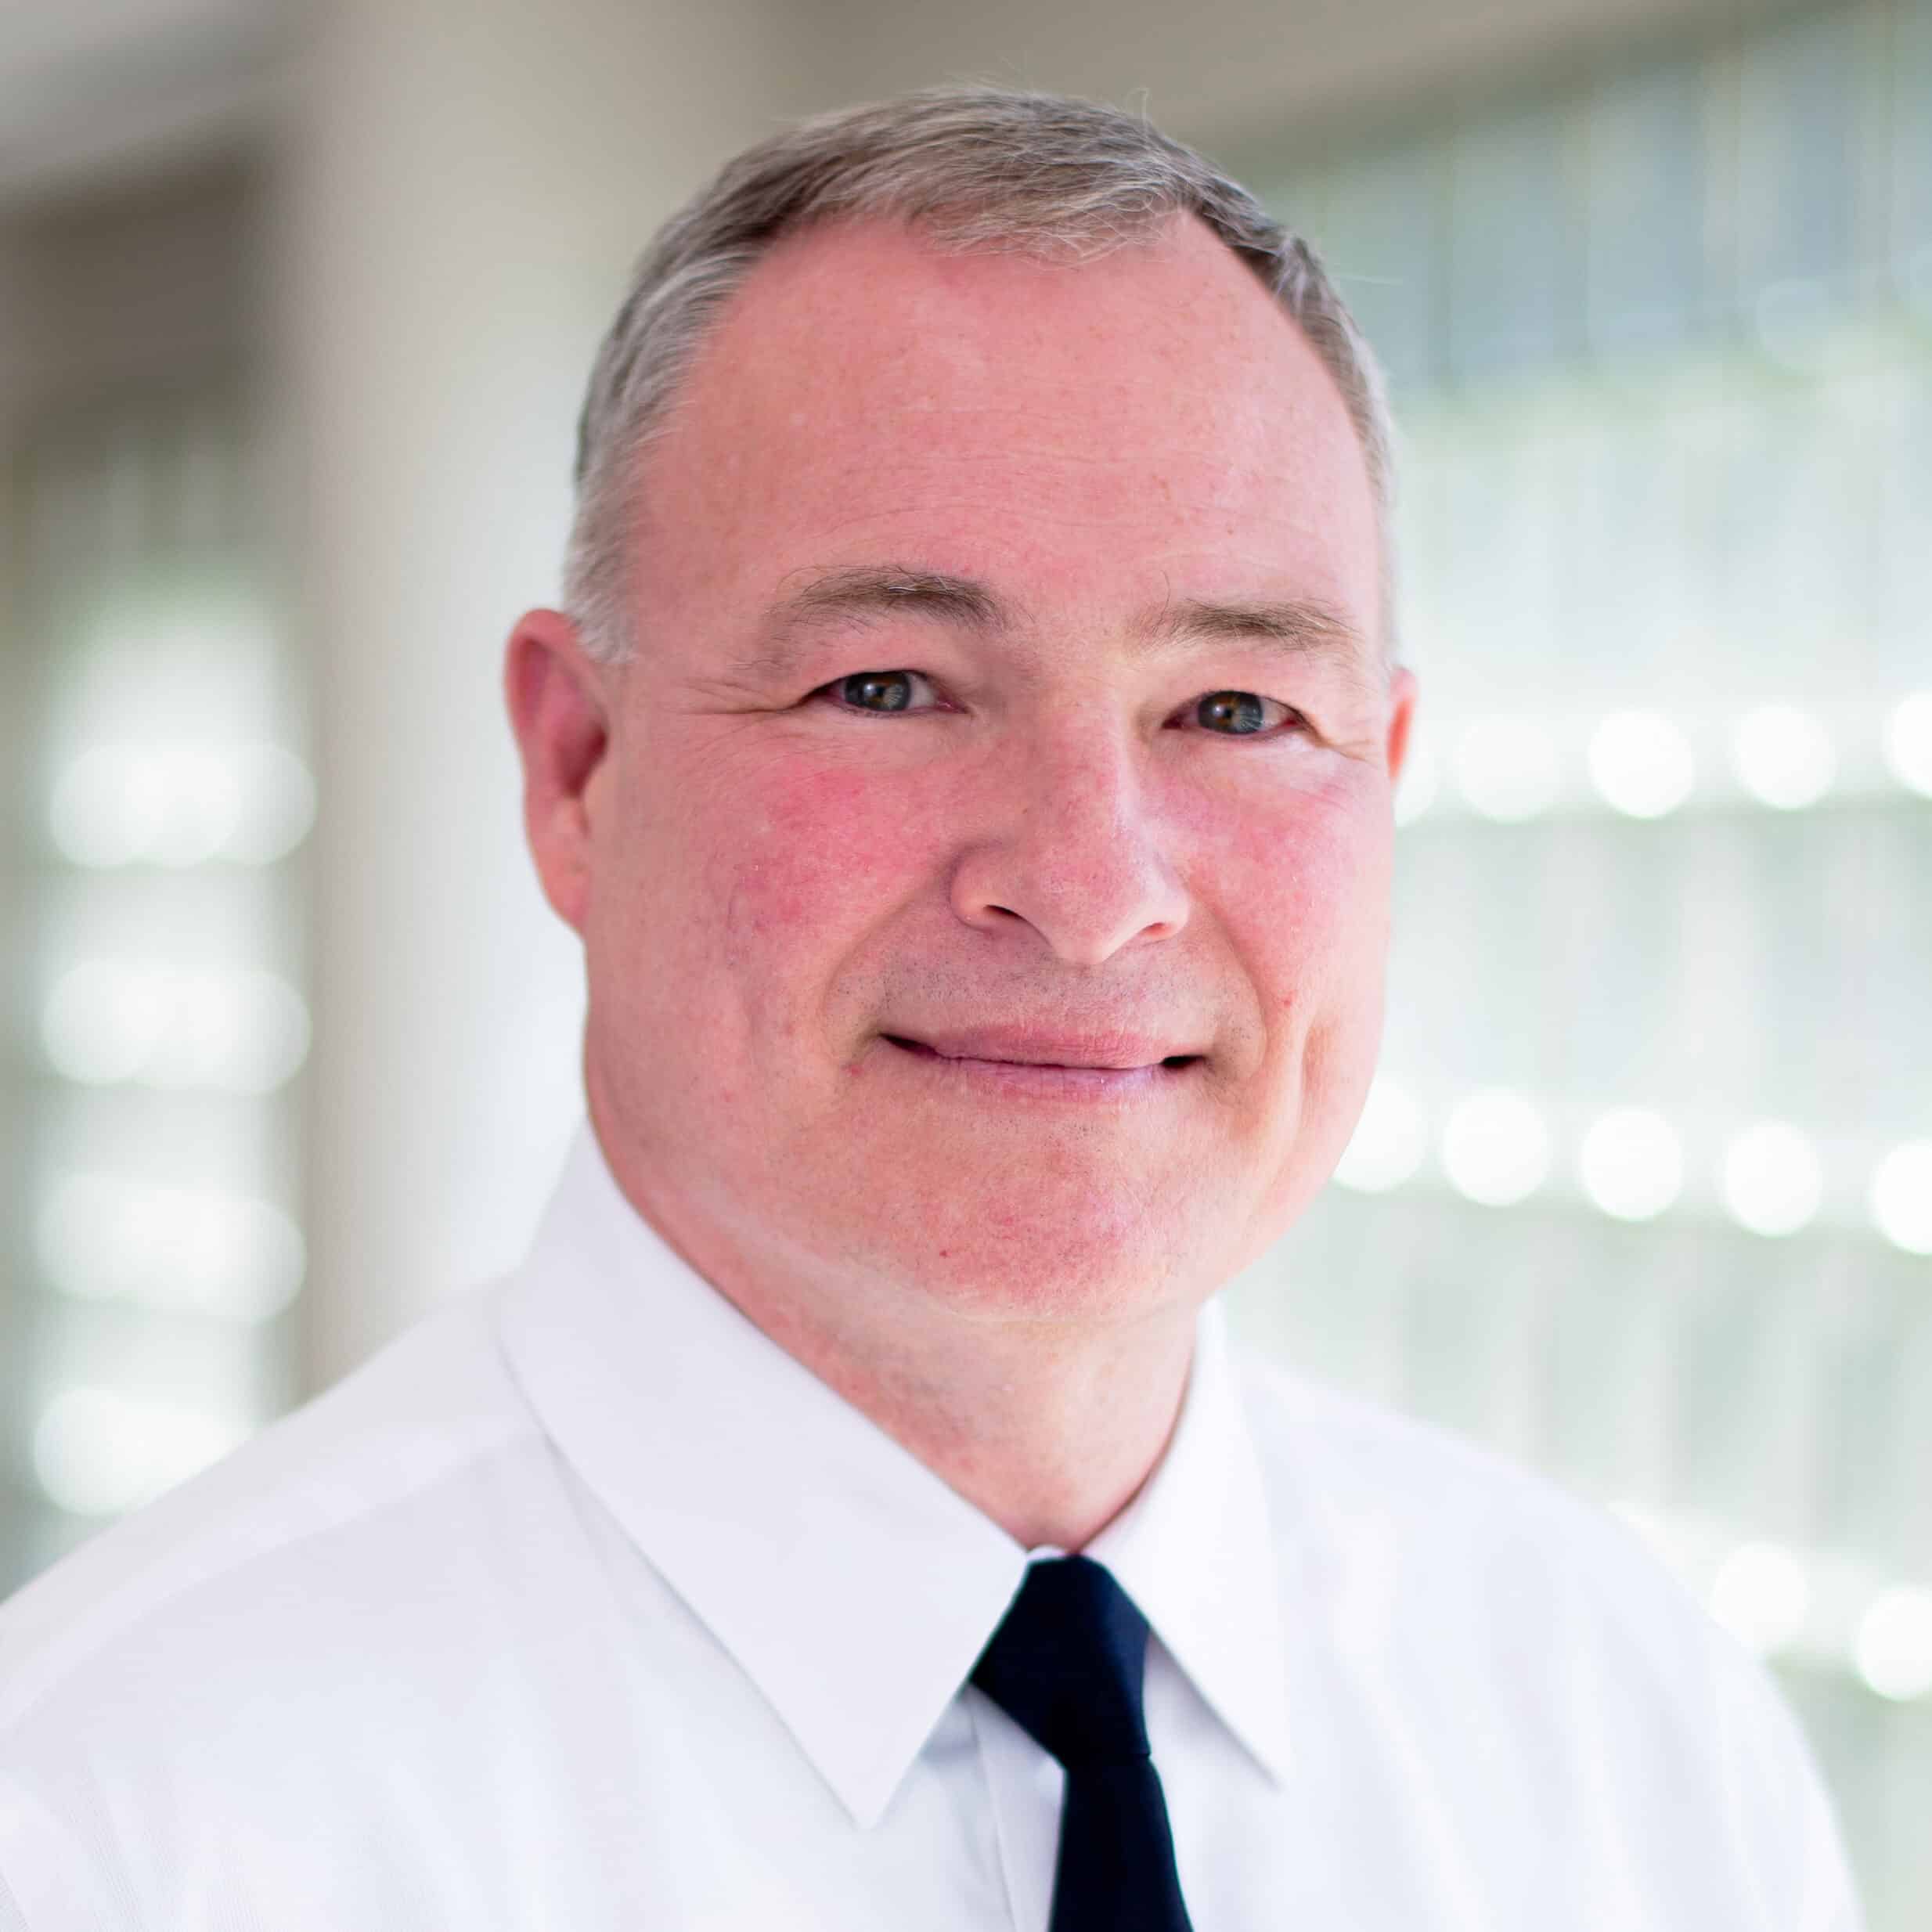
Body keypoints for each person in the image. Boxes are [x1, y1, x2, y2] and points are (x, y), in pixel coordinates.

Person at [0, 85, 1860, 1932]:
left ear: (1382, 774)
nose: (1087, 880)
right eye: (889, 684)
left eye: (1233, 710)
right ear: (578, 770)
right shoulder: (111, 1817)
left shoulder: (1633, 1739)